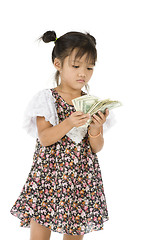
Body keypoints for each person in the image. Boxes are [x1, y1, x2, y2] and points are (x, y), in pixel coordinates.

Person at [10, 30, 111, 240]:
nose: (83, 73)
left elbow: (96, 148)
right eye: (76, 66)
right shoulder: (46, 99)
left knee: (74, 231)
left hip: (81, 178)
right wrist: (69, 122)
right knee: (40, 230)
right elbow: (45, 138)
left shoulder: (92, 103)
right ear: (58, 64)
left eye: (89, 67)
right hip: (48, 176)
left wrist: (95, 129)